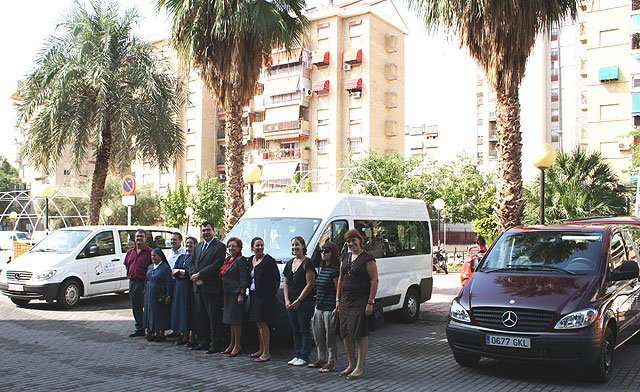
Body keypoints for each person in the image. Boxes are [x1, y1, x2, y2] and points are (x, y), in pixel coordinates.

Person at [334, 229, 379, 379]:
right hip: (345, 300)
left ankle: (360, 366)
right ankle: (351, 363)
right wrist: (338, 299)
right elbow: (340, 279)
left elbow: (374, 281)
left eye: (354, 240)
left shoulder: (367, 258)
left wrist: (370, 302)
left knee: (359, 332)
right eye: (348, 241)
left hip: (360, 299)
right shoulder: (345, 257)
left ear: (360, 240)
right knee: (346, 332)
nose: (351, 244)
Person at [188, 221, 226, 354]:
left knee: (213, 317)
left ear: (213, 231)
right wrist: (194, 275)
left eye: (208, 230)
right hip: (198, 287)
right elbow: (191, 263)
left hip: (211, 288)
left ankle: (215, 344)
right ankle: (202, 342)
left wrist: (200, 275)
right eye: (203, 231)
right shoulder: (197, 246)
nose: (206, 233)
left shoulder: (220, 247)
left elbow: (216, 265)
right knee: (200, 317)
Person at [283, 236, 316, 366]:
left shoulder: (308, 263)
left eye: (297, 245)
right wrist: (286, 299)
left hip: (304, 302)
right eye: (293, 245)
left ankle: (304, 356)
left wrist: (299, 300)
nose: (295, 247)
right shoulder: (290, 263)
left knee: (304, 329)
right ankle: (297, 354)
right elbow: (286, 282)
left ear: (303, 246)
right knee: (295, 329)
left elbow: (310, 284)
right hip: (291, 302)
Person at [247, 237, 280, 363]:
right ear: (252, 248)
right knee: (258, 323)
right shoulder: (251, 260)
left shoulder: (269, 260)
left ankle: (266, 352)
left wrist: (271, 293)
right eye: (257, 245)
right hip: (254, 295)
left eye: (261, 245)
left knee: (263, 323)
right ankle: (260, 349)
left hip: (265, 297)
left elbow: (276, 279)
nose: (260, 248)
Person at [310, 242, 341, 373]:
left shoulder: (335, 270)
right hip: (319, 306)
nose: (323, 253)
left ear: (333, 253)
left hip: (329, 308)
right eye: (322, 251)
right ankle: (321, 358)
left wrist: (337, 306)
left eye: (327, 251)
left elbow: (338, 289)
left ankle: (331, 361)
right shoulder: (322, 268)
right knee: (318, 334)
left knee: (330, 336)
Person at [220, 237, 249, 357]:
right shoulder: (228, 259)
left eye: (234, 246)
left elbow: (243, 278)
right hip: (227, 293)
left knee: (236, 321)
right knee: (230, 321)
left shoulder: (240, 260)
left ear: (239, 248)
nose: (231, 248)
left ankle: (237, 345)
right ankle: (231, 344)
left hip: (236, 294)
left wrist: (241, 294)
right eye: (230, 246)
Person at [123, 229, 153, 337]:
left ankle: (150, 329)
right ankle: (139, 328)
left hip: (145, 282)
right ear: (134, 239)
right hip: (133, 282)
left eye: (141, 236)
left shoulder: (150, 252)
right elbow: (127, 265)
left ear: (145, 238)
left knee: (148, 306)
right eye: (137, 237)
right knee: (136, 306)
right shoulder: (130, 252)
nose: (139, 238)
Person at [171, 236, 197, 346]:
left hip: (189, 289)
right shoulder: (181, 257)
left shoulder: (195, 257)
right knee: (181, 312)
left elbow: (190, 273)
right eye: (187, 243)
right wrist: (182, 272)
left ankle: (192, 338)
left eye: (191, 243)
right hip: (179, 288)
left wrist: (181, 272)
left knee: (189, 312)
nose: (188, 245)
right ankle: (184, 336)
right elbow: (173, 271)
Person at [143, 249, 174, 342]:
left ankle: (161, 334)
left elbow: (169, 282)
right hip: (150, 294)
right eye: (152, 255)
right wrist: (145, 291)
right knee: (151, 314)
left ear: (160, 257)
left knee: (160, 314)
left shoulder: (165, 268)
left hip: (159, 295)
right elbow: (147, 280)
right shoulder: (150, 267)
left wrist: (168, 295)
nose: (153, 258)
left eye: (155, 255)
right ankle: (153, 332)